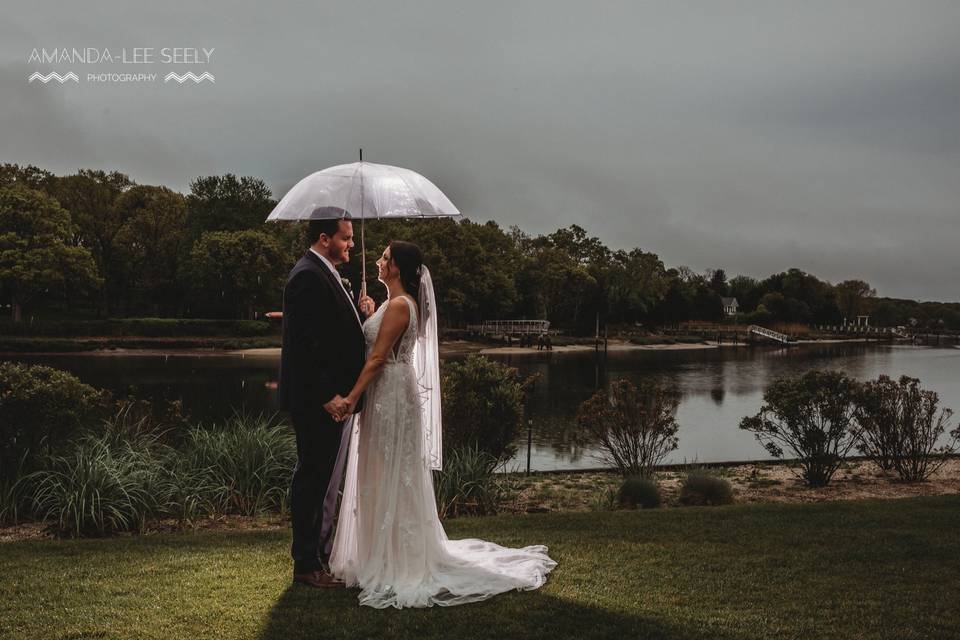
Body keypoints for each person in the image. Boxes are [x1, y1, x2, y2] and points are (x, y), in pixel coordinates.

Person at [328, 240, 556, 608]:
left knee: (392, 473)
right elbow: (376, 337)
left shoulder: (402, 306)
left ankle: (396, 560)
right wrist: (369, 311)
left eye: (384, 258)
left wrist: (350, 398)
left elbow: (377, 360)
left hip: (391, 398)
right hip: (386, 397)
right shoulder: (392, 304)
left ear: (398, 267)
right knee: (380, 471)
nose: (378, 261)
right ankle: (376, 554)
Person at [278, 211, 375, 589]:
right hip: (317, 402)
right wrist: (328, 397)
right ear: (324, 238)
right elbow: (306, 348)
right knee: (312, 479)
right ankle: (305, 563)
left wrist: (360, 312)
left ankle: (316, 554)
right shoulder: (307, 276)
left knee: (320, 479)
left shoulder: (326, 274)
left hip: (329, 400)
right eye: (346, 237)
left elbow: (335, 336)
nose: (351, 243)